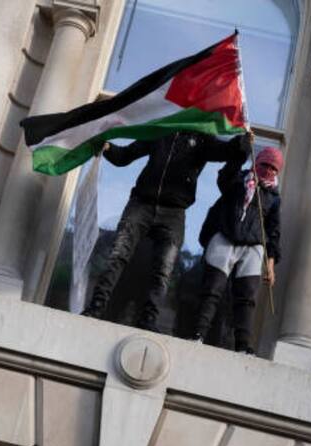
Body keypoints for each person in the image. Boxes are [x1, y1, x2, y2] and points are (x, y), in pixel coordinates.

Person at [82, 131, 250, 331]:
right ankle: (96, 307)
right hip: (141, 204)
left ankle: (148, 321)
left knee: (163, 269)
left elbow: (228, 151)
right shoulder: (161, 130)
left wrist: (244, 142)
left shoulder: (203, 139)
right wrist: (107, 147)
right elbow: (125, 156)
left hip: (173, 213)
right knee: (117, 255)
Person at [194, 146, 282, 353]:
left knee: (246, 298)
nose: (268, 170)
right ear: (256, 162)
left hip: (253, 247)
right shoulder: (237, 181)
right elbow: (224, 178)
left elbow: (274, 233)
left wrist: (270, 266)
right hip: (225, 237)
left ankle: (243, 346)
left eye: (273, 168)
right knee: (212, 289)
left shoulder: (274, 198)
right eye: (264, 165)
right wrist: (240, 148)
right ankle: (197, 334)